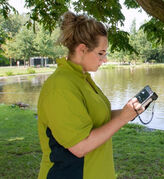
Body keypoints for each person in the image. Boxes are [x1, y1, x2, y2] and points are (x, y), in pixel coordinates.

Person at [37, 11, 144, 179]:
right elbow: (79, 146)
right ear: (82, 49)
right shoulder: (60, 86)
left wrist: (128, 111)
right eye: (101, 53)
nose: (105, 59)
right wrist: (123, 119)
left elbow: (97, 118)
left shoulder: (82, 78)